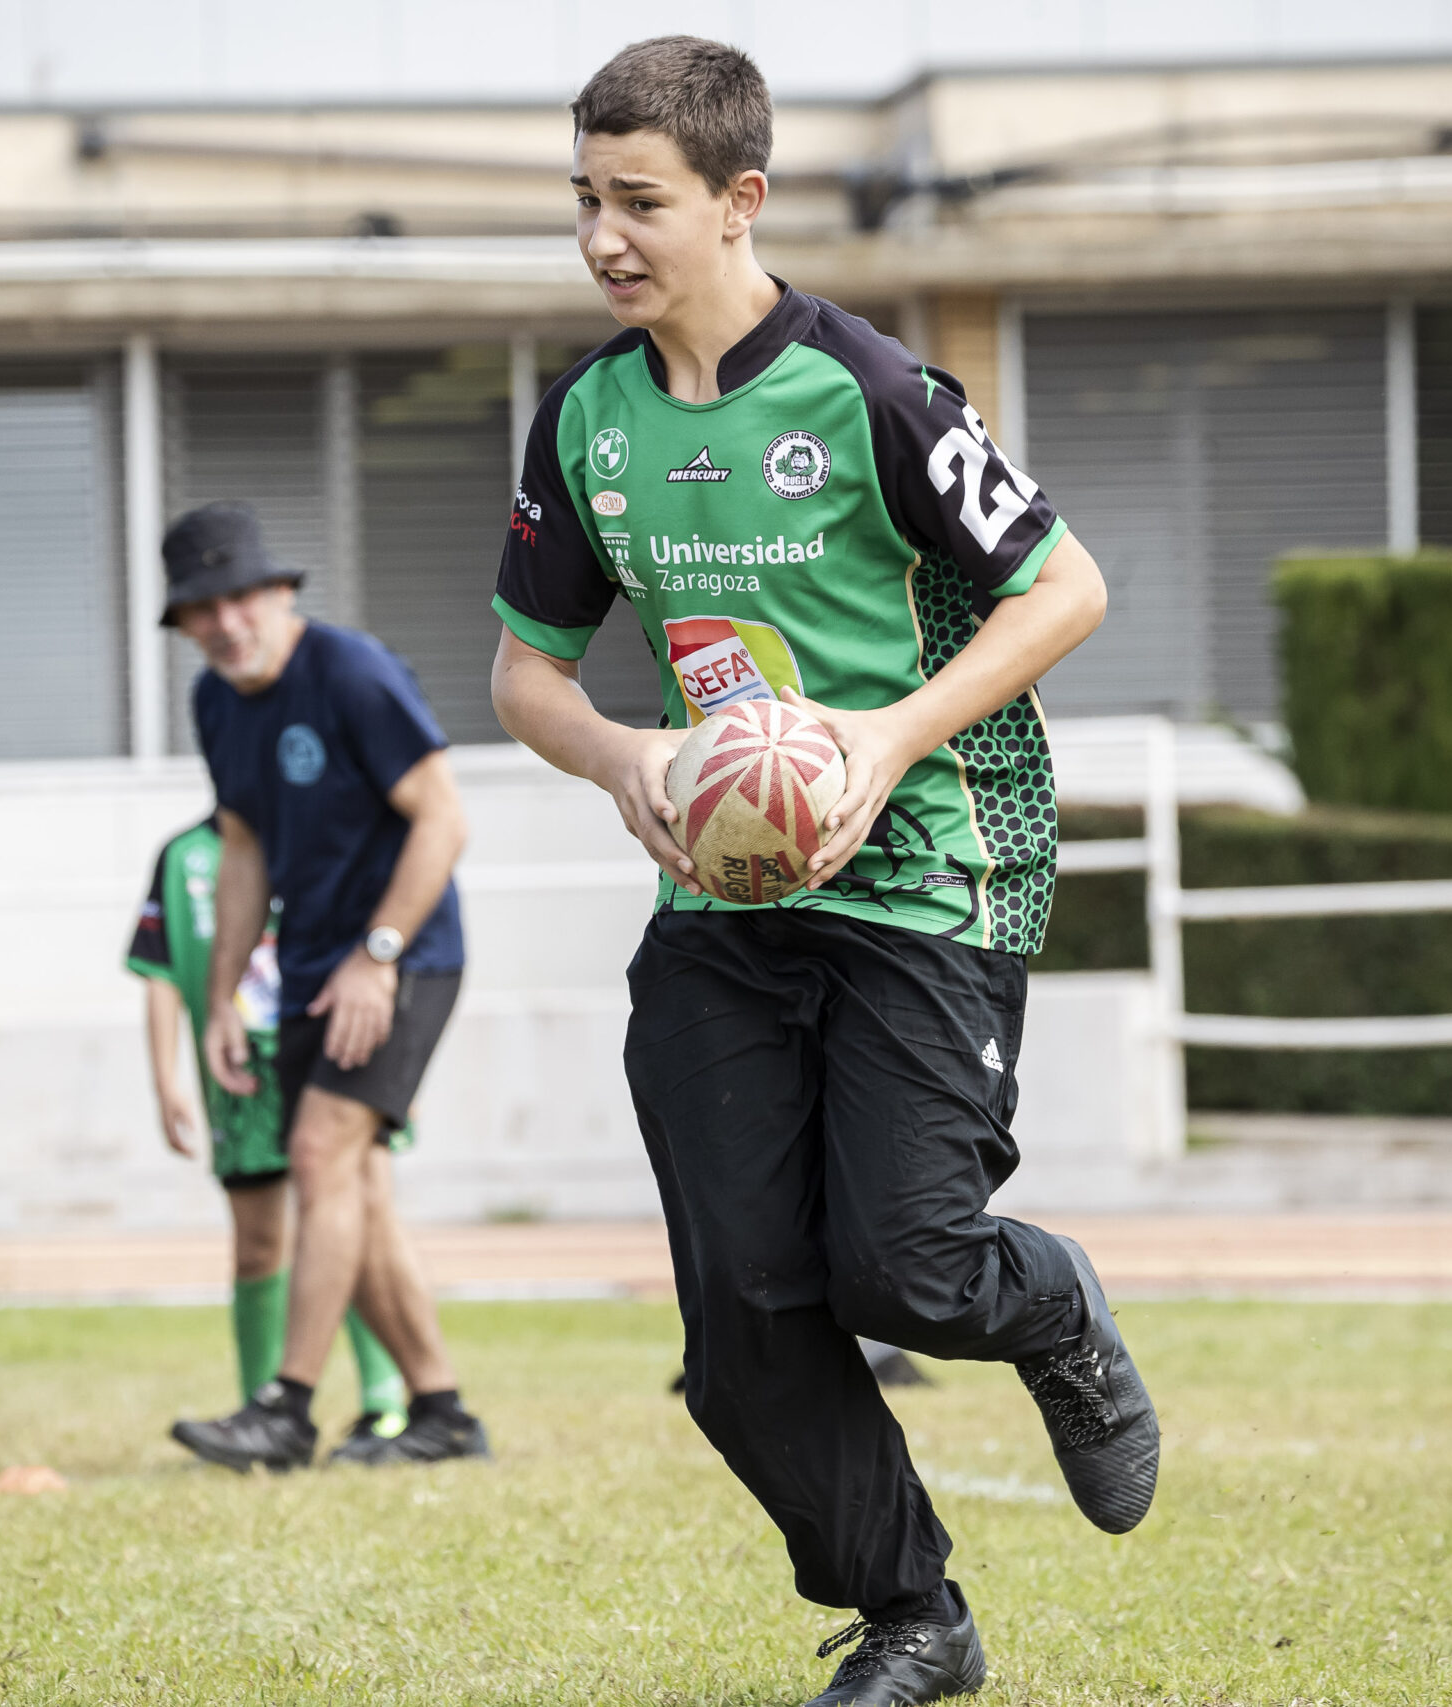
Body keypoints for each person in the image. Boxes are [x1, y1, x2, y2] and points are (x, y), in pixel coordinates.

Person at [488, 38, 1150, 1707]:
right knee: (741, 1331)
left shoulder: (869, 388)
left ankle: (1056, 1307)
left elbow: (1065, 588)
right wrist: (633, 759)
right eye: (587, 200)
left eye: (640, 203)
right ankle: (912, 1618)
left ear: (740, 199)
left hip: (929, 871)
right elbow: (526, 677)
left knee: (907, 1269)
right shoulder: (588, 420)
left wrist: (885, 739)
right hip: (720, 906)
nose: (604, 238)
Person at [153, 503, 487, 1471]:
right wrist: (222, 997)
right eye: (199, 609)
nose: (223, 623)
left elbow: (442, 819)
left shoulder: (350, 670)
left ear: (280, 592)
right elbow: (246, 848)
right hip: (307, 965)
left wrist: (377, 955)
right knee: (359, 1191)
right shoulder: (216, 702)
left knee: (318, 1152)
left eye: (238, 598)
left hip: (405, 955)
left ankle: (285, 1409)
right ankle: (441, 1414)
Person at [126, 814, 412, 1442]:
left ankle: (386, 1403)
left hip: (334, 1055)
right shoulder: (184, 856)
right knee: (258, 1243)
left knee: (360, 1225)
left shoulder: (325, 828)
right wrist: (165, 1079)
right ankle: (262, 1411)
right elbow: (160, 972)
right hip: (242, 1077)